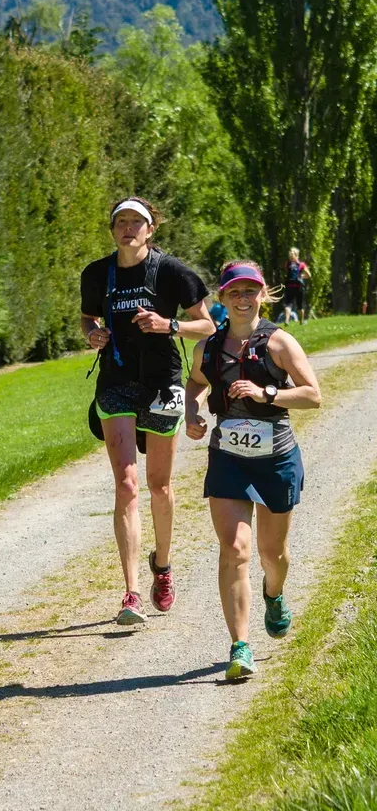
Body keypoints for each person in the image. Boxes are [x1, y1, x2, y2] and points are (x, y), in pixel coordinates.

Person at [185, 261, 321, 680]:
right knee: (235, 549)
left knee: (271, 554)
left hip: (275, 458)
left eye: (251, 291)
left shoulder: (279, 343)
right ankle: (240, 646)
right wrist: (191, 411)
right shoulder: (207, 347)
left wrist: (267, 392)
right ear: (222, 299)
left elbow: (313, 395)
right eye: (234, 292)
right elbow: (194, 383)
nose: (243, 299)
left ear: (263, 295)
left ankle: (274, 593)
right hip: (227, 457)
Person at [81, 197, 213, 625]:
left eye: (136, 222)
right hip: (116, 383)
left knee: (159, 485)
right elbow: (87, 317)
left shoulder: (173, 272)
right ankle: (131, 592)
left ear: (150, 229)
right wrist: (93, 334)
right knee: (126, 484)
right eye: (121, 221)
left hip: (162, 382)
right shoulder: (97, 274)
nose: (128, 228)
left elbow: (208, 325)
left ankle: (164, 565)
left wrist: (168, 325)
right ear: (113, 229)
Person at [284, 247, 311, 325]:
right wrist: (302, 276)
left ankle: (286, 320)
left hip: (289, 286)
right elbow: (309, 275)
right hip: (299, 286)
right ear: (297, 255)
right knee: (300, 305)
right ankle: (301, 322)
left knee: (288, 304)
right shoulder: (301, 264)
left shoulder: (287, 264)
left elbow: (287, 273)